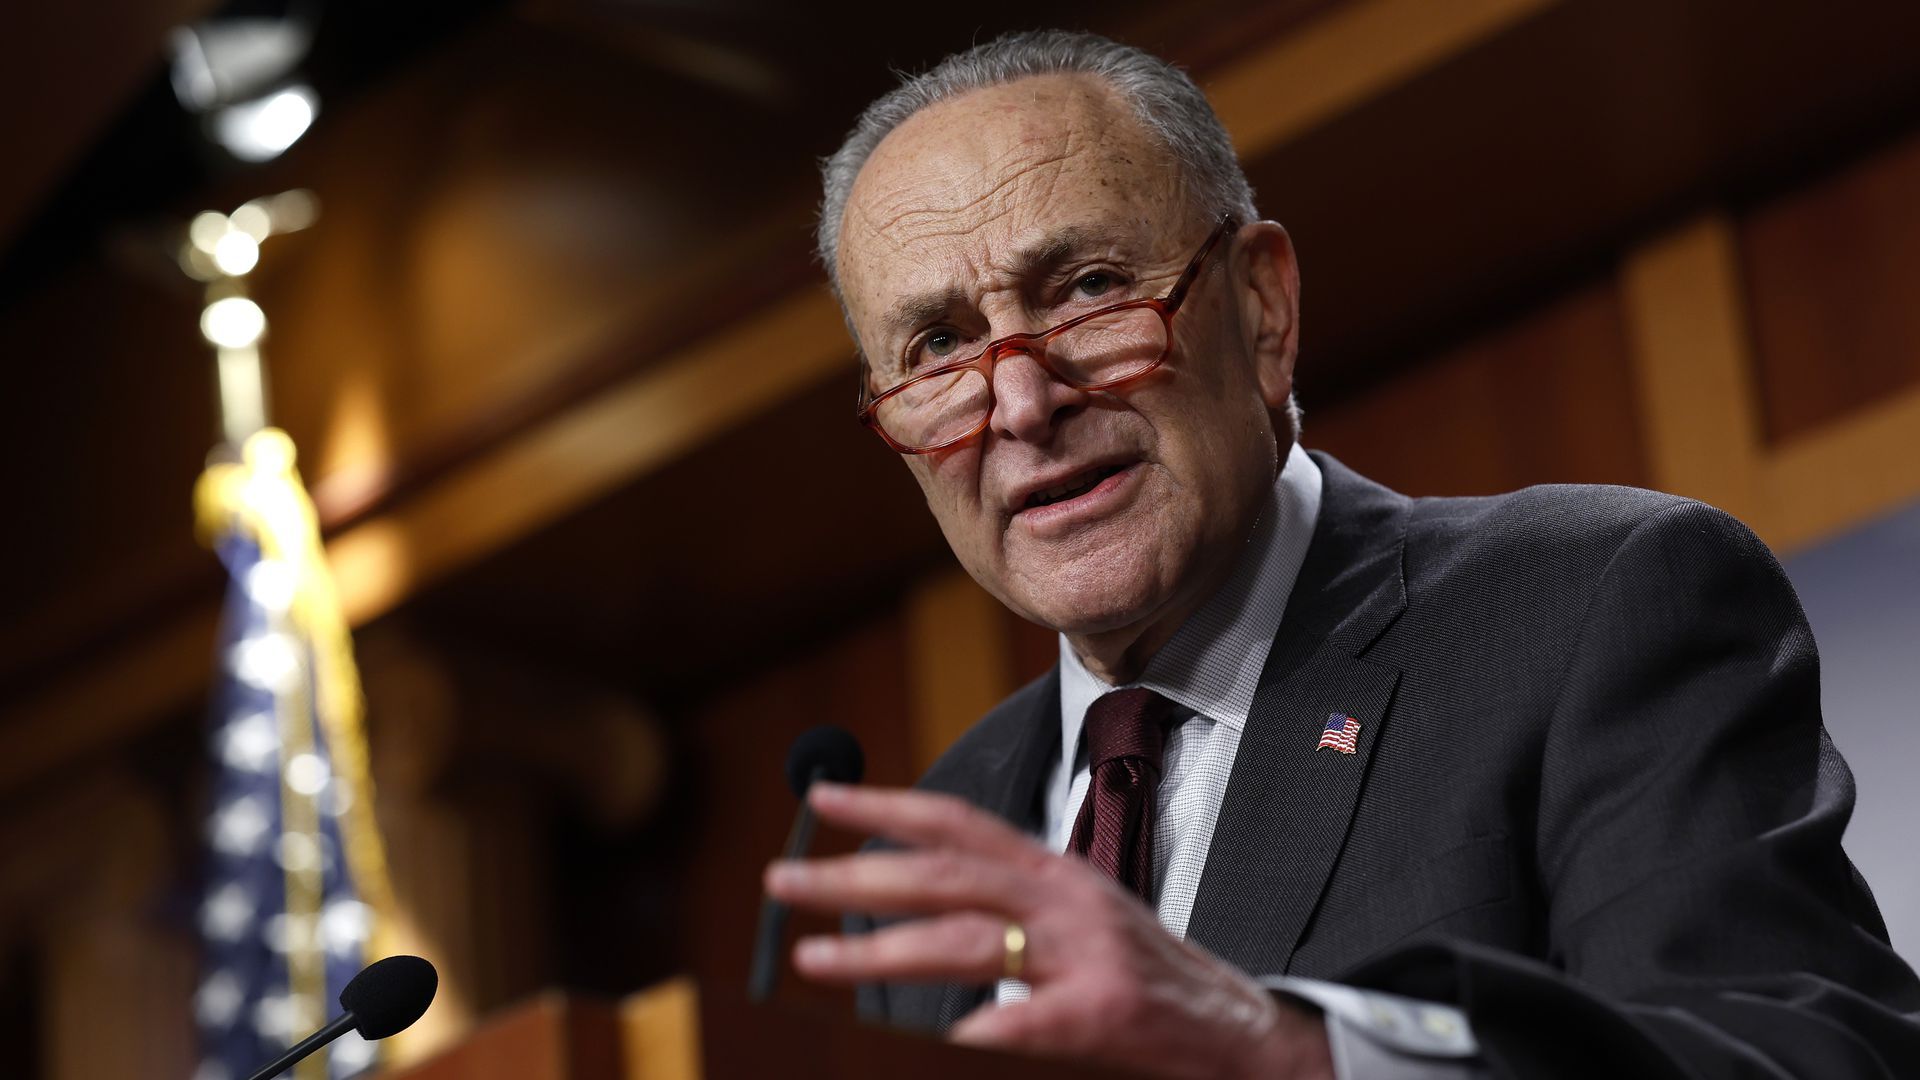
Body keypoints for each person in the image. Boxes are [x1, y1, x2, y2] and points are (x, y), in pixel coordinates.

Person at [762, 29, 1920, 1079]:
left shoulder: (1593, 605)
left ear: (1263, 308)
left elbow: (1811, 1058)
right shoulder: (929, 856)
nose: (1018, 400)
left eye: (1090, 290)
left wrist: (1286, 1053)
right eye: (936, 349)